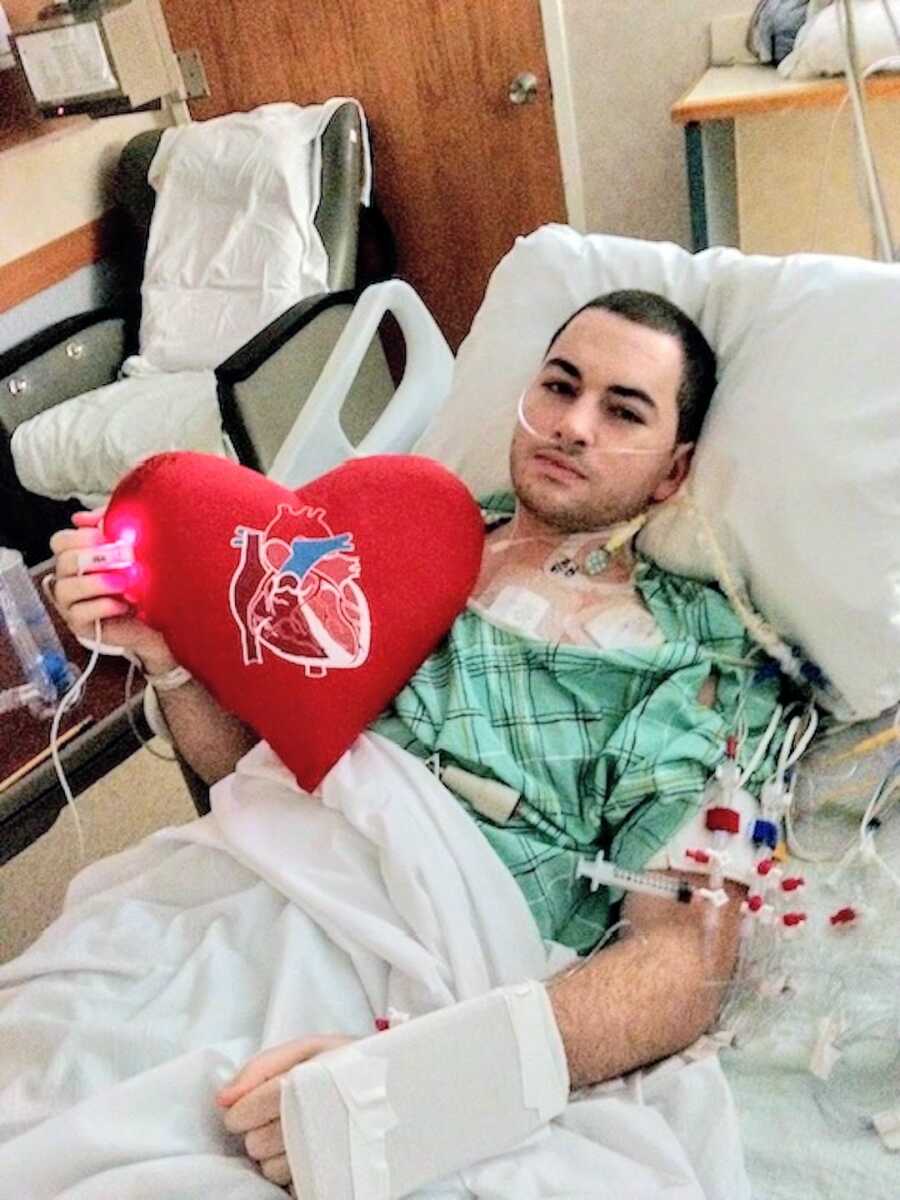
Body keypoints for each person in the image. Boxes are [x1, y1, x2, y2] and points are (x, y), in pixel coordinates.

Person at [48, 290, 787, 1189]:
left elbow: (686, 957)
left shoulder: (694, 656)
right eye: (560, 387)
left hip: (425, 962)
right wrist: (166, 663)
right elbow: (242, 775)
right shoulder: (393, 538)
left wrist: (427, 1081)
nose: (574, 426)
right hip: (222, 891)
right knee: (49, 1053)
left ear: (671, 474)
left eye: (622, 409)